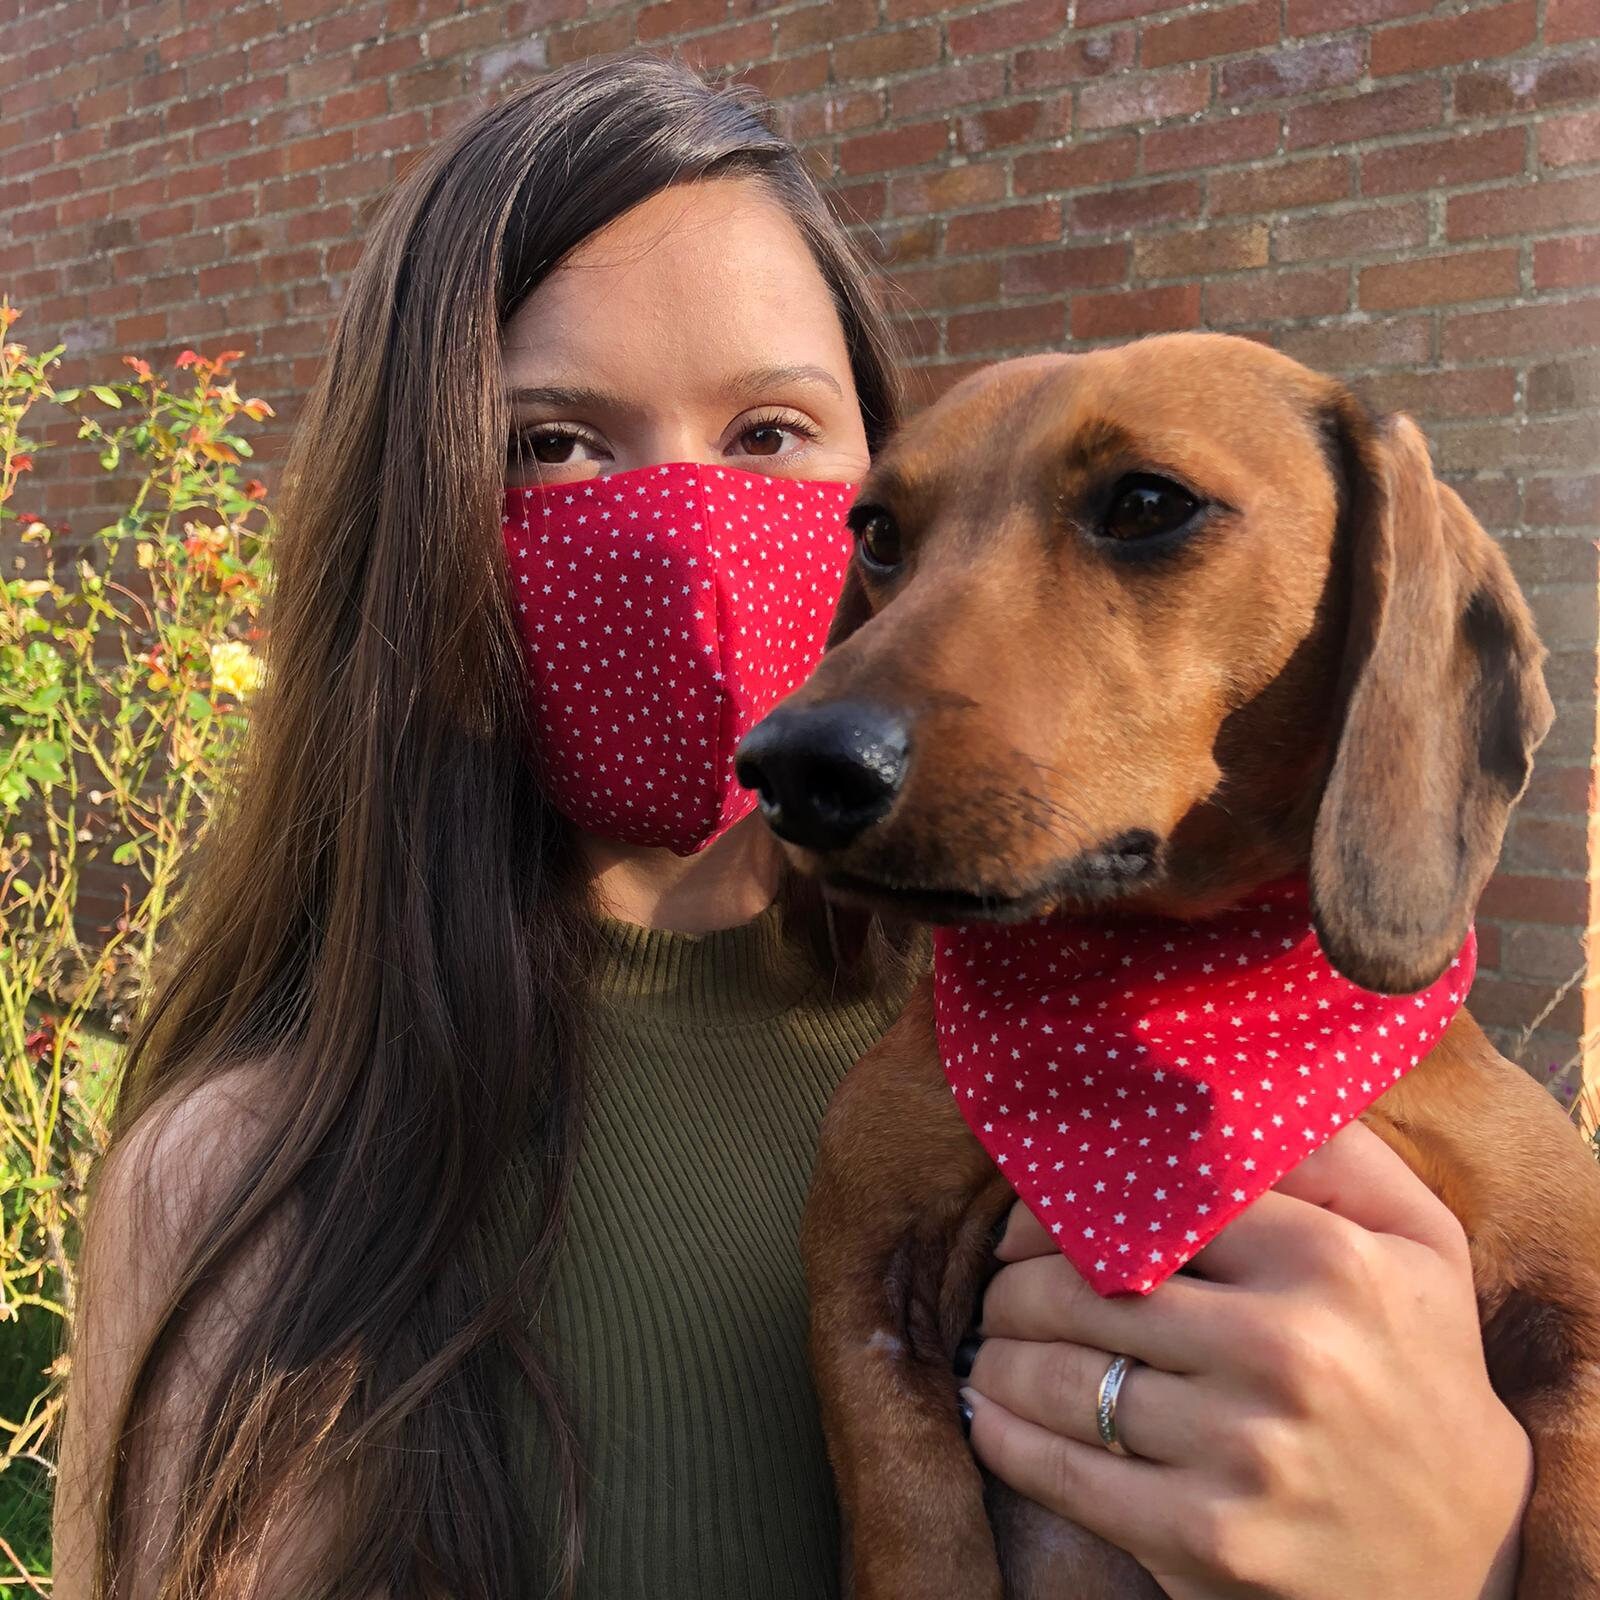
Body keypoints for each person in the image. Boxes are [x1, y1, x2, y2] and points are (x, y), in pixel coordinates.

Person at [53, 50, 1532, 1600]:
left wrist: (1465, 1554)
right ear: (411, 528)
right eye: (551, 443)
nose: (687, 531)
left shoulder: (1131, 1012)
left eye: (769, 434)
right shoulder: (261, 1179)